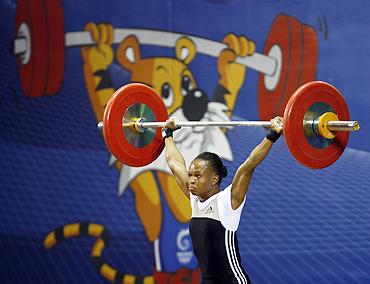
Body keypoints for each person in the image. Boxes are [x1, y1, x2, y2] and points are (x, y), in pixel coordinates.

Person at [161, 116, 284, 284]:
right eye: (190, 175)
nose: (191, 179)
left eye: (198, 175)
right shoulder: (194, 199)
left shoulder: (228, 201)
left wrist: (273, 134)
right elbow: (174, 162)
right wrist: (167, 133)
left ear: (214, 179)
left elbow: (248, 166)